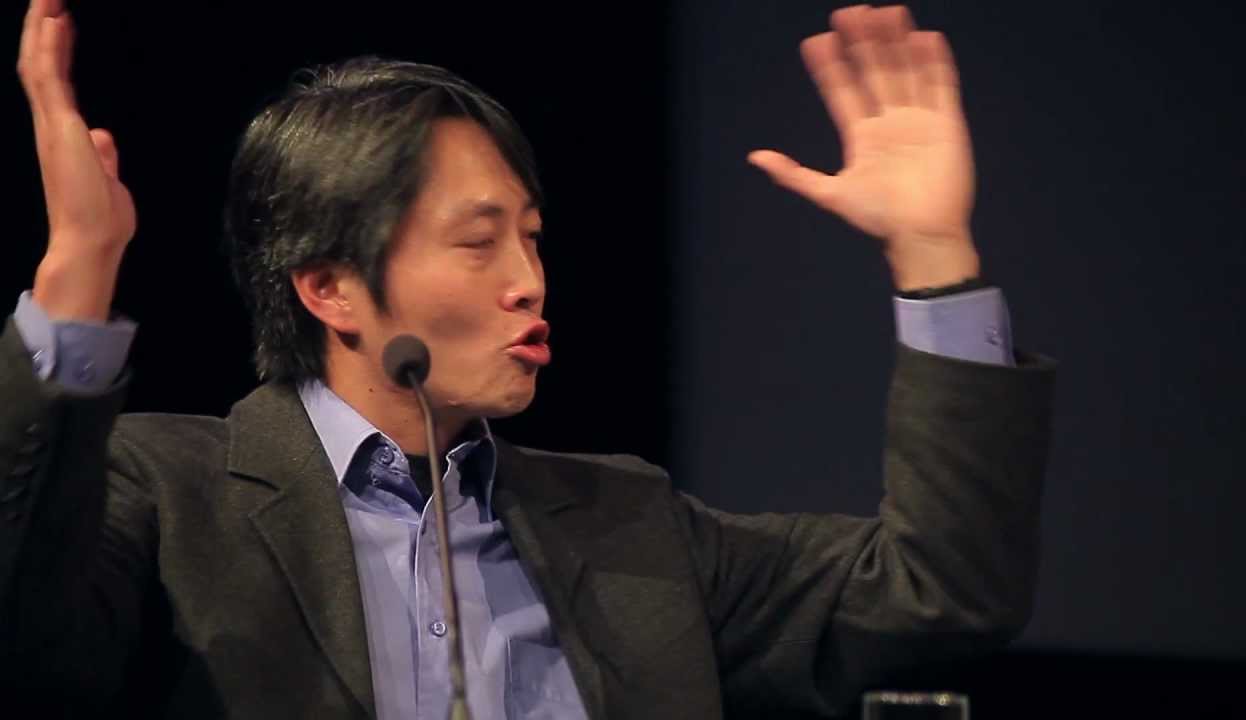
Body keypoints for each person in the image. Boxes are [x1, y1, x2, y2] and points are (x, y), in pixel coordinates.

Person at [1, 0, 1054, 718]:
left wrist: (934, 255)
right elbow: (20, 628)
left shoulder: (629, 524)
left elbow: (939, 591)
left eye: (534, 238)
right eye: (478, 241)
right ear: (329, 289)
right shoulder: (167, 495)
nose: (529, 281)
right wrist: (79, 272)